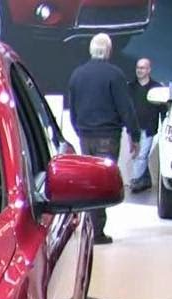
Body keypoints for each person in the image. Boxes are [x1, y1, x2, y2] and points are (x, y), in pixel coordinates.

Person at [66, 33, 140, 245]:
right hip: (108, 136)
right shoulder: (115, 74)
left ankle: (90, 227)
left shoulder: (77, 74)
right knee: (102, 182)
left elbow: (73, 110)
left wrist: (79, 129)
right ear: (108, 50)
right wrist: (134, 135)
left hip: (85, 135)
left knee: (89, 182)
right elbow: (126, 107)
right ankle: (96, 231)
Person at [128, 58, 162, 193]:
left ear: (149, 70)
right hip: (133, 127)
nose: (139, 70)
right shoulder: (130, 87)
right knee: (138, 154)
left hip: (149, 128)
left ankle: (135, 180)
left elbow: (162, 108)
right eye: (138, 67)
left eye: (142, 68)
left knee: (141, 155)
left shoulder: (157, 87)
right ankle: (145, 180)